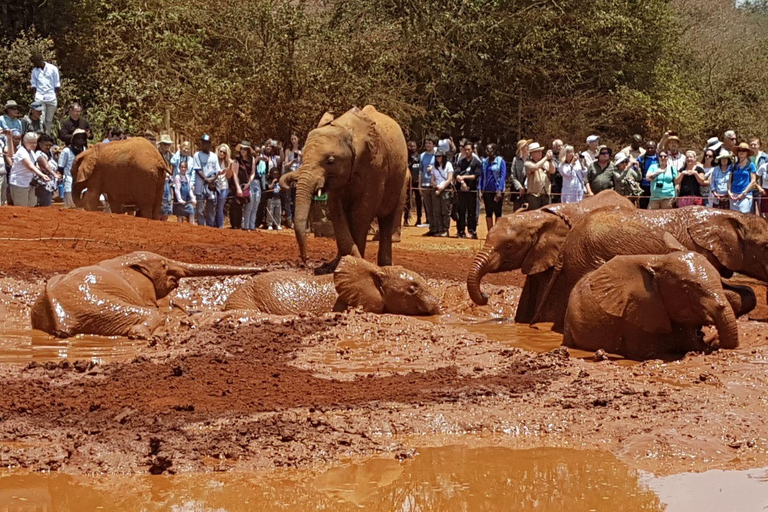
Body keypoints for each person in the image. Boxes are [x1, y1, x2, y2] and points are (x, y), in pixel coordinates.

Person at [9, 132, 50, 206]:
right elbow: (30, 166)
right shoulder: (21, 152)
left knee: (32, 205)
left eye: (35, 142)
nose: (34, 145)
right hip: (20, 183)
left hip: (30, 183)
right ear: (25, 142)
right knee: (22, 206)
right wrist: (42, 175)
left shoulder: (31, 152)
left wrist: (42, 173)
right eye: (31, 142)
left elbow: (35, 164)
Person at [191, 134, 220, 226]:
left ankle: (210, 225)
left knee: (211, 207)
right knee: (200, 209)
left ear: (210, 144)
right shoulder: (197, 155)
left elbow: (217, 171)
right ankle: (201, 226)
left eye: (207, 143)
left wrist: (212, 179)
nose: (205, 145)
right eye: (203, 143)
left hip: (211, 186)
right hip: (200, 186)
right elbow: (197, 169)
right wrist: (206, 179)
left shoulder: (214, 156)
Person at [454, 142, 481, 238]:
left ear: (472, 150)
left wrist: (464, 177)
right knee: (461, 211)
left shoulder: (476, 162)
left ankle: (472, 231)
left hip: (472, 190)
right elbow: (456, 173)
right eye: (465, 149)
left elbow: (475, 176)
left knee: (472, 212)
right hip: (461, 190)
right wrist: (462, 182)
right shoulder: (461, 162)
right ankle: (460, 231)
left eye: (469, 149)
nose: (467, 151)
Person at [29, 53, 60, 135]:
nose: (34, 64)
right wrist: (35, 96)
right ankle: (41, 137)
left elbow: (57, 84)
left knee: (49, 120)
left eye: (35, 62)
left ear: (40, 60)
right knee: (41, 119)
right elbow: (33, 85)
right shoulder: (35, 71)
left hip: (51, 97)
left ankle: (47, 137)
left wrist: (56, 97)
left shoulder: (52, 68)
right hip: (40, 97)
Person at [57, 129, 88, 208]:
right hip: (69, 181)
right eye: (78, 138)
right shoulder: (66, 151)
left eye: (82, 138)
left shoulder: (85, 150)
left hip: (82, 182)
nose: (80, 140)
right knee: (70, 207)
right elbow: (61, 167)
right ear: (73, 139)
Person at [479, 143, 506, 230]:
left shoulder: (500, 161)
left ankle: (497, 232)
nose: (488, 152)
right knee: (488, 212)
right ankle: (490, 232)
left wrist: (500, 190)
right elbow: (481, 176)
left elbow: (502, 176)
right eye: (486, 150)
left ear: (494, 151)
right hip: (487, 190)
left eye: (489, 150)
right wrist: (480, 189)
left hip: (497, 190)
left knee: (498, 212)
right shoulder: (484, 162)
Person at [428, 147, 454, 237]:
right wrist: (436, 186)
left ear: (443, 157)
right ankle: (439, 229)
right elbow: (432, 180)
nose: (437, 158)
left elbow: (450, 178)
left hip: (445, 190)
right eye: (436, 156)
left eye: (439, 156)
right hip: (436, 190)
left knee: (445, 211)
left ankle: (445, 230)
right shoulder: (434, 167)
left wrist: (441, 187)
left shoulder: (448, 165)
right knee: (437, 211)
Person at [232, 142, 257, 230]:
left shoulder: (252, 159)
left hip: (247, 185)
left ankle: (246, 225)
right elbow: (234, 174)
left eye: (245, 149)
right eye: (242, 149)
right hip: (238, 184)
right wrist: (238, 187)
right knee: (237, 206)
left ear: (248, 150)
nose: (243, 150)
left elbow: (253, 172)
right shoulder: (237, 160)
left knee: (248, 205)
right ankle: (236, 226)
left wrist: (249, 183)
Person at [524, 142, 556, 209]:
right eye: (537, 152)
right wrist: (546, 157)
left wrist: (550, 160)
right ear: (531, 154)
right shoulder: (527, 163)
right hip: (534, 195)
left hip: (546, 194)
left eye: (540, 151)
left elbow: (552, 171)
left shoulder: (545, 162)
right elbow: (535, 167)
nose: (540, 153)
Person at [33, 133, 60, 207]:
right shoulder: (39, 154)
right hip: (42, 185)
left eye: (50, 145)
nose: (48, 147)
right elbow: (46, 165)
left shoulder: (50, 154)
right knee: (45, 206)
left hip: (50, 185)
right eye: (46, 145)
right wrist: (54, 174)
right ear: (40, 144)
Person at [729, 142, 756, 214]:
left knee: (744, 216)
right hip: (733, 195)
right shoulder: (734, 165)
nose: (741, 152)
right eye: (740, 150)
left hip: (745, 195)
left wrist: (744, 193)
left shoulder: (751, 165)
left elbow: (753, 181)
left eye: (744, 150)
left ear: (747, 153)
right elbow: (729, 180)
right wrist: (729, 191)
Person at [419, 136, 438, 235]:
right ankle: (432, 228)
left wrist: (433, 168)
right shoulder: (422, 156)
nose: (427, 145)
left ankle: (438, 228)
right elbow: (420, 172)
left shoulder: (437, 155)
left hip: (434, 185)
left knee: (436, 208)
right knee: (428, 209)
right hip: (425, 185)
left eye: (429, 143)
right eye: (426, 143)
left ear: (434, 144)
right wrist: (419, 185)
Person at [404, 140, 424, 226]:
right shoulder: (406, 157)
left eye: (413, 146)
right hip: (408, 183)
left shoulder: (420, 157)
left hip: (417, 182)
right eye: (410, 146)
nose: (411, 148)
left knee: (419, 201)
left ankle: (419, 218)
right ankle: (405, 218)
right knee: (407, 201)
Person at [635, 141, 659, 209]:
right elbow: (634, 169)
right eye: (648, 148)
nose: (650, 150)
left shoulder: (659, 158)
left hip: (656, 186)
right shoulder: (641, 159)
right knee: (643, 206)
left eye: (651, 148)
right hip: (644, 186)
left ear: (655, 148)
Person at [214, 144, 233, 228]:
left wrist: (229, 168)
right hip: (214, 186)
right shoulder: (213, 160)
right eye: (220, 151)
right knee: (213, 207)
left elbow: (229, 176)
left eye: (224, 152)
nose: (221, 153)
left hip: (224, 187)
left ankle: (220, 226)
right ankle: (212, 225)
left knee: (220, 208)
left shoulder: (228, 162)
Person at [508, 139, 530, 210]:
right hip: (518, 191)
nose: (528, 147)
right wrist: (520, 187)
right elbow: (513, 175)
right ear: (521, 148)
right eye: (526, 146)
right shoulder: (515, 159)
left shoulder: (531, 158)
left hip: (530, 190)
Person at [173, 160, 196, 224]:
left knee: (191, 212)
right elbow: (177, 190)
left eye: (185, 167)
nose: (183, 169)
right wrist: (180, 200)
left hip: (187, 200)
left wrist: (193, 198)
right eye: (182, 167)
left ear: (187, 168)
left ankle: (192, 226)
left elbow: (189, 189)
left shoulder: (187, 177)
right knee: (180, 216)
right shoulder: (178, 177)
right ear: (179, 168)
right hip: (180, 200)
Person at [749, 138, 768, 215]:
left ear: (759, 145)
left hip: (761, 189)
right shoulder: (746, 157)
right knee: (751, 212)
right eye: (751, 145)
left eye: (755, 144)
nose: (753, 146)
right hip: (749, 187)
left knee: (762, 212)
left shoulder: (765, 157)